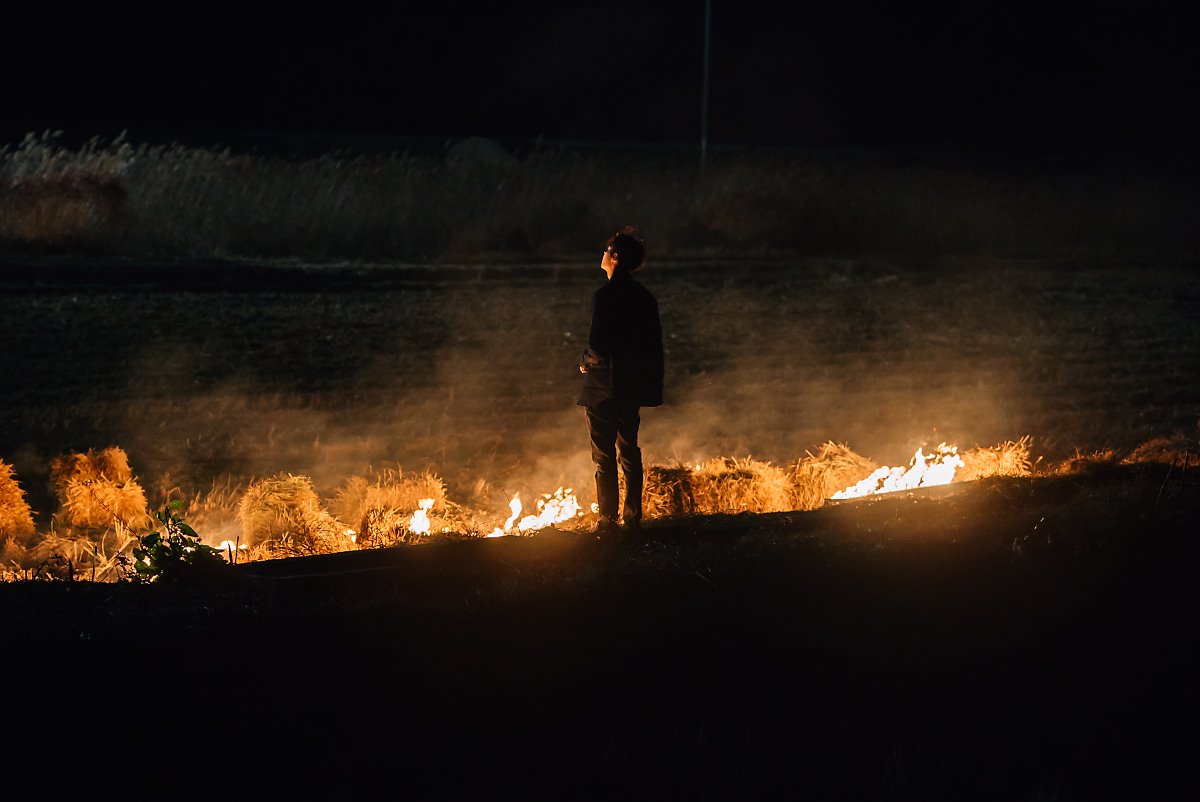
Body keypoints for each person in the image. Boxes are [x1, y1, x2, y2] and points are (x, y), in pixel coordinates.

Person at [578, 226, 664, 535]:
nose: (602, 255)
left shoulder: (605, 296)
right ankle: (632, 518)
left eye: (606, 251)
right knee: (629, 450)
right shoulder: (644, 297)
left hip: (602, 387)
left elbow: (597, 346)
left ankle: (607, 521)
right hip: (631, 386)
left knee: (603, 456)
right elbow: (652, 346)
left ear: (614, 257)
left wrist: (586, 363)